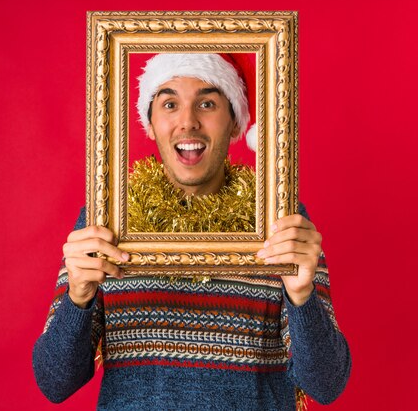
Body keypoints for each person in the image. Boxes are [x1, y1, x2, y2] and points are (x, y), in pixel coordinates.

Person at [33, 53, 351, 410]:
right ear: (149, 123)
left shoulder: (280, 223)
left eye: (207, 103)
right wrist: (78, 296)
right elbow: (54, 381)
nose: (188, 122)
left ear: (234, 123)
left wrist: (302, 295)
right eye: (170, 103)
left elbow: (327, 383)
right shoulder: (104, 224)